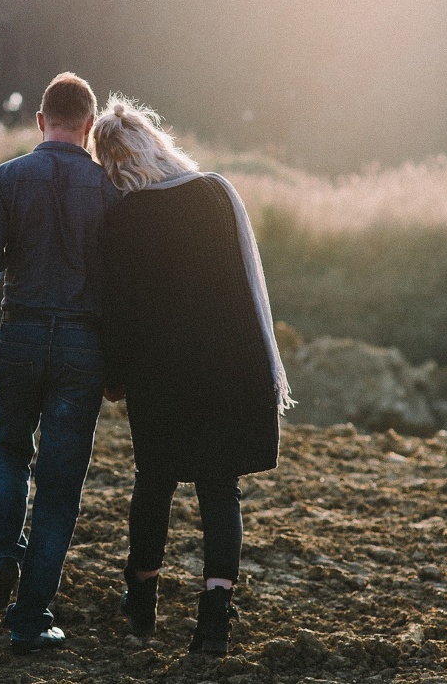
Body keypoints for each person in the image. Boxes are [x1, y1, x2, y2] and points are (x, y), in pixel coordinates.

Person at [92, 95, 294, 657]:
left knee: (152, 483)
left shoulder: (119, 220)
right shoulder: (213, 193)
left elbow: (119, 311)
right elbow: (245, 288)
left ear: (109, 163)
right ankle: (213, 621)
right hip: (229, 366)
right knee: (218, 489)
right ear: (156, 144)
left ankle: (141, 608)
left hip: (160, 375)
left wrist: (114, 377)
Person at [0, 72, 120, 655]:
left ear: (41, 121)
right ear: (90, 126)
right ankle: (30, 617)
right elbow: (123, 289)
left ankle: (1, 556)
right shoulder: (109, 189)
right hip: (81, 346)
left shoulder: (6, 178)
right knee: (60, 486)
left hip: (18, 337)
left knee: (9, 451)